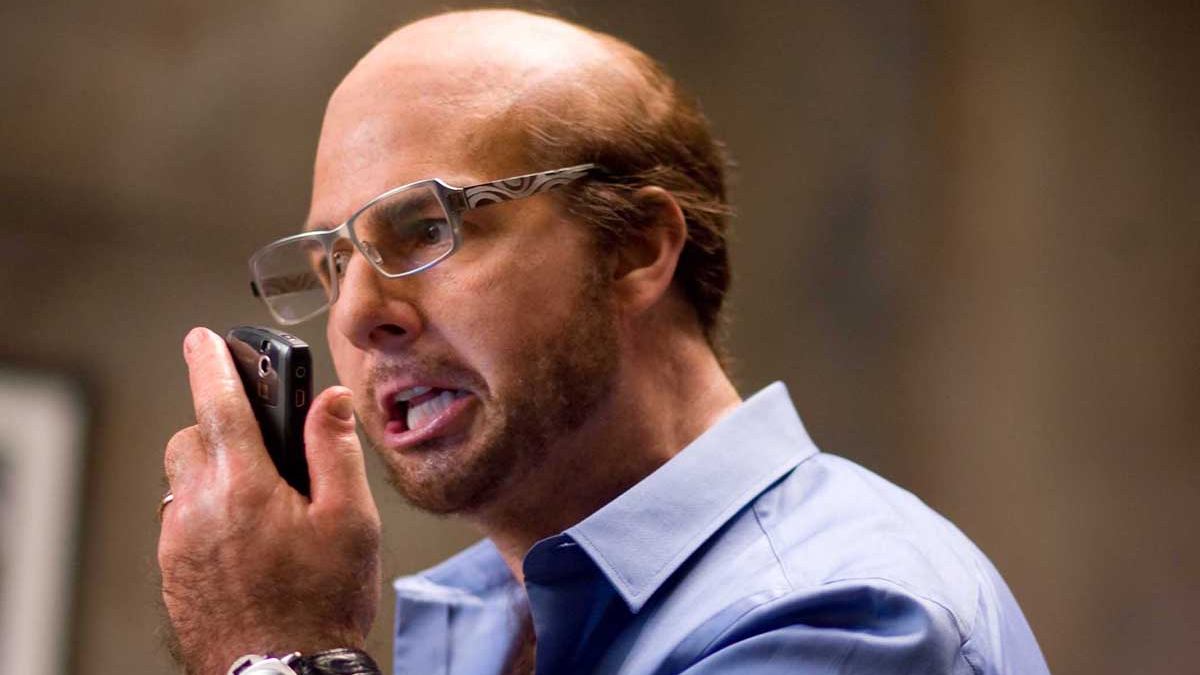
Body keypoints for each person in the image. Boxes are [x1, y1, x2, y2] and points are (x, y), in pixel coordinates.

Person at [158, 8, 1050, 675]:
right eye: (332, 263)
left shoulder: (844, 616)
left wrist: (279, 651)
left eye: (425, 228)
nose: (358, 315)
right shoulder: (484, 618)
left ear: (637, 247)